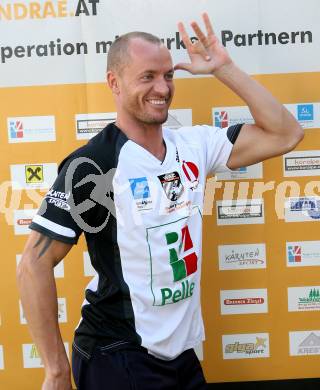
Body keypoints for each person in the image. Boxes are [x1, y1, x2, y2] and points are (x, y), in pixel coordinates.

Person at [17, 13, 303, 390]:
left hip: (181, 356)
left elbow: (286, 134)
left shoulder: (193, 145)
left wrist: (225, 68)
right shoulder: (94, 164)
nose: (163, 88)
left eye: (168, 75)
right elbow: (33, 266)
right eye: (147, 76)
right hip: (117, 353)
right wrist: (55, 370)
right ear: (114, 83)